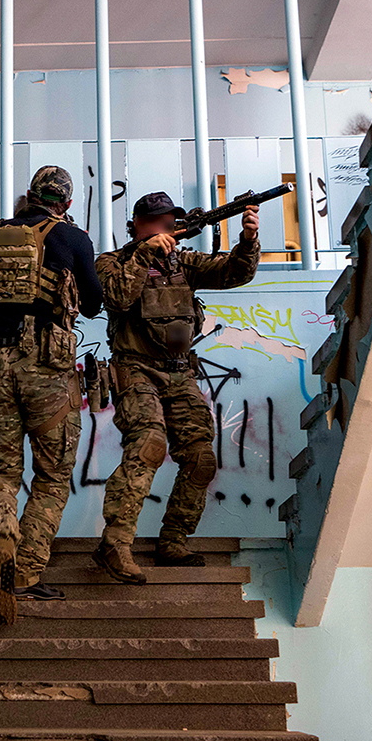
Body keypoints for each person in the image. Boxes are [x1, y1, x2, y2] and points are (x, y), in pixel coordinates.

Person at [0, 166, 103, 623]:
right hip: (46, 367)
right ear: (66, 203)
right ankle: (24, 572)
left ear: (29, 196)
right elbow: (95, 303)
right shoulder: (73, 237)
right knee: (53, 473)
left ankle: (1, 543)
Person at [93, 192, 259, 581]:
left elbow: (234, 273)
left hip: (181, 373)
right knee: (148, 445)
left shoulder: (183, 263)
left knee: (201, 457)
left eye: (170, 221)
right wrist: (144, 255)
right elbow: (117, 298)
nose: (166, 227)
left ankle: (173, 541)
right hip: (136, 370)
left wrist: (248, 240)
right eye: (157, 221)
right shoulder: (112, 262)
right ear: (136, 224)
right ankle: (115, 544)